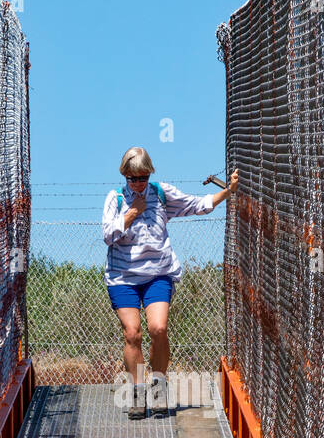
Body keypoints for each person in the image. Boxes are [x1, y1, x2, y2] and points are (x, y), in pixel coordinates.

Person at [102, 147, 238, 417]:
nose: (138, 184)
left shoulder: (161, 193)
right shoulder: (116, 199)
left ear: (149, 174)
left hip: (158, 273)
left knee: (158, 328)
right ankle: (138, 393)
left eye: (142, 178)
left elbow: (196, 205)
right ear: (124, 176)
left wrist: (228, 192)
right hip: (123, 277)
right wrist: (131, 214)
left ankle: (160, 384)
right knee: (132, 333)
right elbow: (107, 234)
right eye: (132, 179)